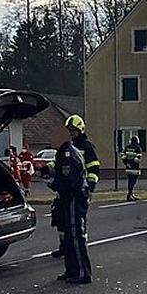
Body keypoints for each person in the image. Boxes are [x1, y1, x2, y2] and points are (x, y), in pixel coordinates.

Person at [52, 115, 94, 284]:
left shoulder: (80, 149)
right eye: (69, 131)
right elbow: (59, 170)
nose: (70, 133)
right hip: (67, 197)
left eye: (73, 131)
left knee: (76, 235)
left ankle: (83, 273)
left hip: (75, 196)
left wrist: (90, 189)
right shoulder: (65, 150)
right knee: (68, 236)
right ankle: (71, 270)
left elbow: (90, 171)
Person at [122, 136, 142, 201]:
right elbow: (137, 159)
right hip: (135, 168)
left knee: (130, 180)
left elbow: (123, 157)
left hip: (128, 167)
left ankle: (131, 194)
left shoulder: (127, 147)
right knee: (133, 181)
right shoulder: (138, 148)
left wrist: (127, 164)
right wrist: (132, 164)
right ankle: (129, 194)